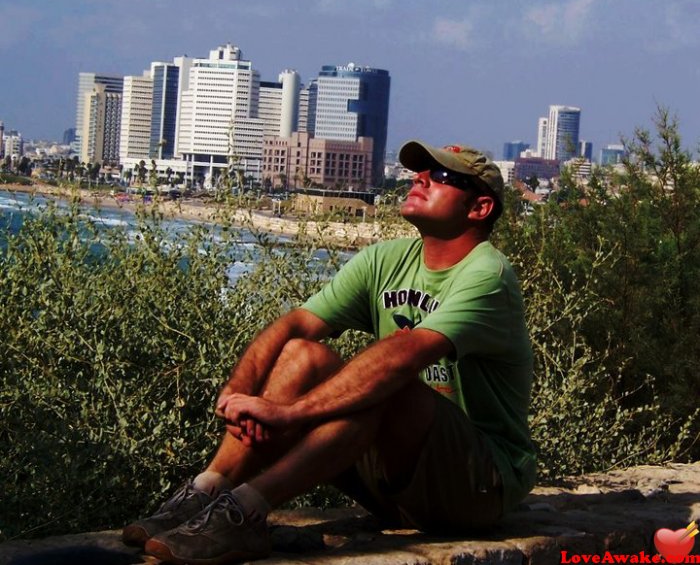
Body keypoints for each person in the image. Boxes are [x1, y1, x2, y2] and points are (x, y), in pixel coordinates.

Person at [122, 140, 537, 565]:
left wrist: (292, 414)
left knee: (386, 383)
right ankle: (209, 489)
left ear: (480, 208)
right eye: (420, 171)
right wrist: (237, 390)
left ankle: (246, 512)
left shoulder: (489, 275)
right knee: (303, 354)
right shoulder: (385, 259)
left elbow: (406, 355)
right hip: (394, 483)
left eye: (442, 176)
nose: (420, 178)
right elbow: (295, 325)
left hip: (477, 485)